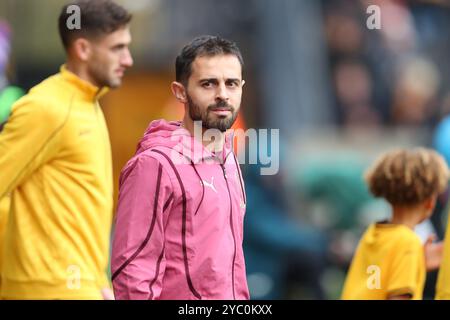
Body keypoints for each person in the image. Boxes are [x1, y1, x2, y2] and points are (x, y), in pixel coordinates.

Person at [0, 0, 133, 299]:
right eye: (117, 48)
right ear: (83, 50)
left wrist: (99, 279)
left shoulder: (89, 104)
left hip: (84, 288)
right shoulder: (47, 108)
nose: (128, 59)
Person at [111, 35, 249, 300]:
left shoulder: (229, 160)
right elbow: (132, 272)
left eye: (231, 83)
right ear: (180, 91)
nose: (222, 94)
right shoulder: (153, 164)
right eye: (208, 84)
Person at [341, 148, 448, 300]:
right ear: (430, 201)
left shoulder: (373, 233)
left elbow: (377, 282)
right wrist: (411, 256)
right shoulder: (408, 243)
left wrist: (417, 261)